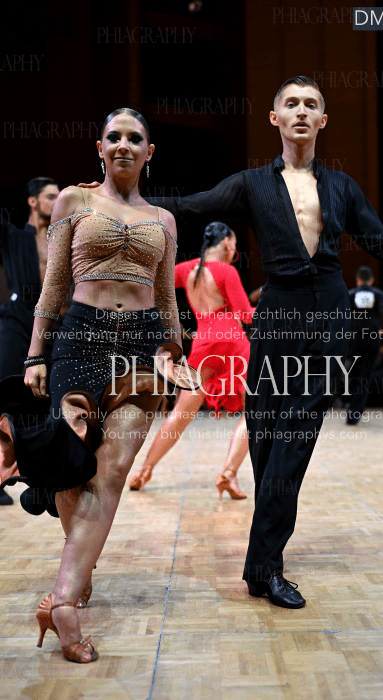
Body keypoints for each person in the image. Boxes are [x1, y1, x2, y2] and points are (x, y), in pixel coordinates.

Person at [81, 76, 383, 609]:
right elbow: (188, 207)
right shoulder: (250, 184)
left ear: (322, 120)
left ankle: (264, 565)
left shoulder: (342, 187)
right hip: (277, 317)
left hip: (328, 315)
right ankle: (266, 564)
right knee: (263, 439)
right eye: (292, 104)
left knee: (295, 437)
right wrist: (115, 198)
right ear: (275, 118)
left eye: (311, 104)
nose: (301, 111)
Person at [0, 108, 185, 662]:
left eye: (135, 138)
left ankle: (61, 602)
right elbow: (54, 284)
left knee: (112, 471)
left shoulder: (163, 219)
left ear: (149, 152)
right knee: (70, 468)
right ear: (99, 148)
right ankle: (78, 568)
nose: (124, 144)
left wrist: (175, 351)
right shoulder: (73, 202)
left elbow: (167, 296)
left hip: (142, 347)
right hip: (80, 340)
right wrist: (36, 354)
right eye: (114, 137)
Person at [129, 221, 255, 498]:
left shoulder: (186, 269)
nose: (234, 250)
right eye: (234, 244)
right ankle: (228, 473)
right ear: (226, 243)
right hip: (232, 342)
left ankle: (143, 471)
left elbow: (152, 288)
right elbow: (246, 315)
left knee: (181, 413)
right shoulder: (227, 271)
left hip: (203, 343)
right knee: (256, 413)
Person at [0, 177, 60, 506]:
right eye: (50, 196)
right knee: (5, 393)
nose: (57, 201)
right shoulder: (12, 235)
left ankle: (40, 481)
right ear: (32, 201)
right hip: (18, 318)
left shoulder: (62, 238)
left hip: (52, 323)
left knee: (47, 401)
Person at [346, 265, 383, 425]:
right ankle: (355, 410)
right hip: (372, 336)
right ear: (372, 280)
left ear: (357, 280)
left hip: (356, 337)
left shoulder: (351, 293)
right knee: (366, 374)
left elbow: (344, 315)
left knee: (354, 372)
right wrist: (381, 328)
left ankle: (354, 408)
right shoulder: (378, 294)